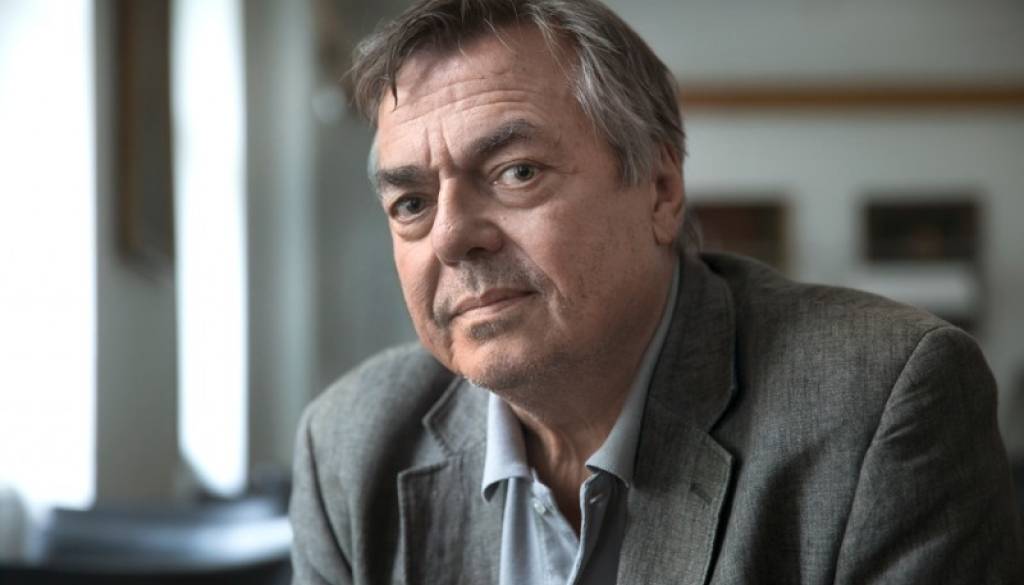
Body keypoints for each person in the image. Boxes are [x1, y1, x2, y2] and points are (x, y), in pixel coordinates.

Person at [288, 0, 1023, 583]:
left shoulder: (881, 404)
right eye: (411, 203)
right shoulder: (350, 445)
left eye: (517, 172)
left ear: (661, 190)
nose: (451, 237)